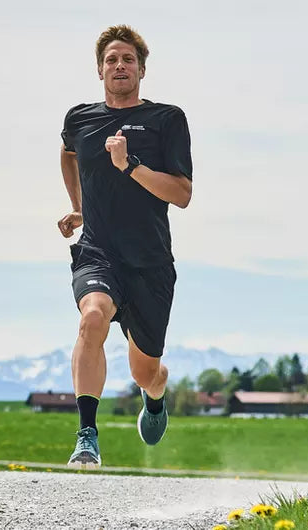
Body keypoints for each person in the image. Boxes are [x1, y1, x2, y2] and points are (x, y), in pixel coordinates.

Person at [58, 24, 193, 469]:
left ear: (142, 70)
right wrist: (79, 208)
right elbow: (69, 152)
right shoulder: (81, 119)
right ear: (100, 70)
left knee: (145, 372)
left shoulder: (166, 119)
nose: (120, 66)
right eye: (112, 59)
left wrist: (129, 165)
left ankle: (154, 397)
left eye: (128, 59)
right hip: (99, 251)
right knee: (91, 318)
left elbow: (181, 193)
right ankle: (87, 437)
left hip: (150, 262)